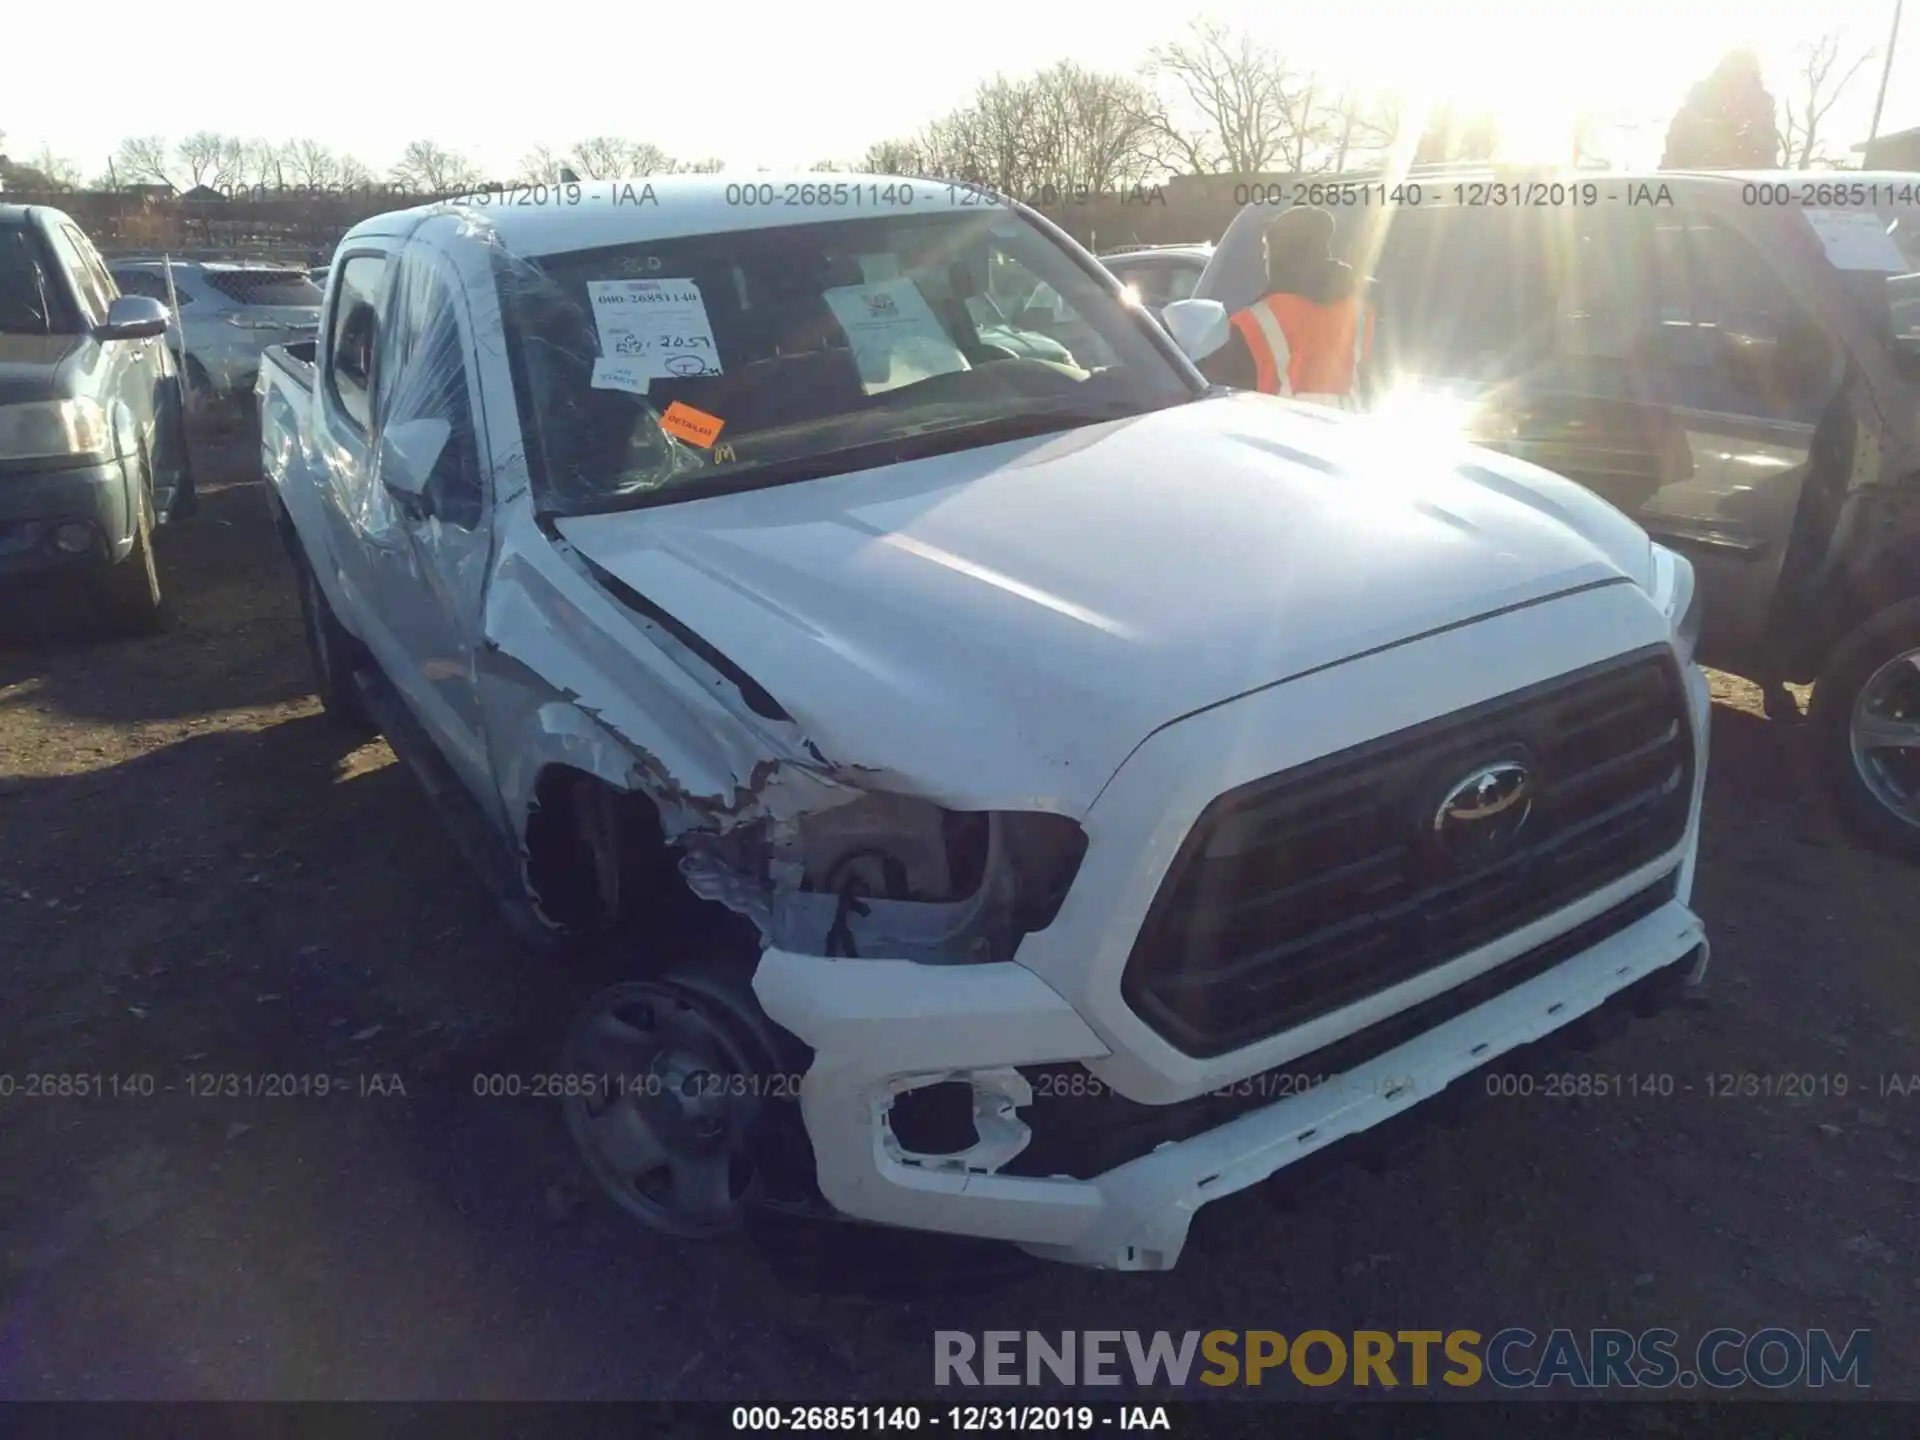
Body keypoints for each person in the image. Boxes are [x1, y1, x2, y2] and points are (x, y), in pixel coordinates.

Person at [1200, 205, 1373, 408]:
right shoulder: (1361, 313)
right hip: (1348, 431)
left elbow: (1210, 388)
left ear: (1282, 256)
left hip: (1279, 432)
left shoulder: (1254, 322)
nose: (1264, 258)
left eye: (1267, 249)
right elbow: (1373, 381)